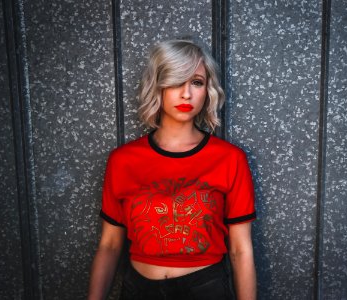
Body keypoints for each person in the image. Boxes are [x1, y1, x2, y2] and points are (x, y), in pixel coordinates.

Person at [88, 39, 257, 300]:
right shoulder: (123, 160)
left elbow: (240, 249)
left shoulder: (229, 159)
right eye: (176, 81)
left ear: (207, 90)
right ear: (158, 86)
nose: (186, 94)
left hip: (206, 289)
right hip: (138, 290)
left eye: (197, 82)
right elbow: (110, 245)